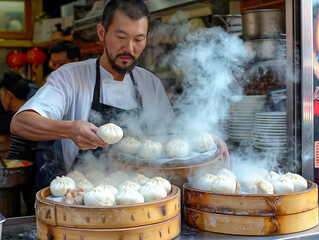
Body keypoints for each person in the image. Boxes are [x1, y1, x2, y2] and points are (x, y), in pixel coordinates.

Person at [11, 0, 229, 174]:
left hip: (143, 199)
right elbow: (21, 123)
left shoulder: (149, 83)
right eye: (120, 36)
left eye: (138, 39)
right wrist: (69, 130)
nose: (129, 48)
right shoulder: (71, 77)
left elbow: (170, 136)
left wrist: (203, 139)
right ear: (101, 33)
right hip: (89, 201)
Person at [36, 41, 81, 190]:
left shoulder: (86, 84)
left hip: (82, 151)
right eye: (53, 64)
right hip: (54, 149)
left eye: (61, 64)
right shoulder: (51, 83)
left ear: (75, 62)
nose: (56, 69)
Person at [0, 72, 39, 215]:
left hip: (34, 174)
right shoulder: (29, 110)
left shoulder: (25, 116)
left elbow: (19, 153)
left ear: (8, 95)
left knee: (32, 211)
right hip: (32, 173)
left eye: (0, 95)